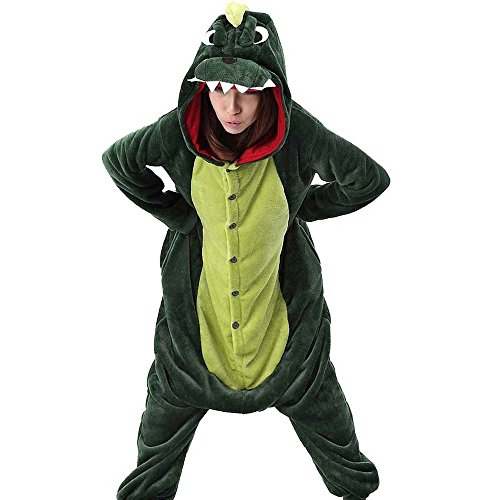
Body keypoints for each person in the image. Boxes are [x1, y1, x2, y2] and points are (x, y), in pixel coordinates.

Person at [101, 3, 390, 500]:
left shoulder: (297, 134)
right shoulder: (179, 130)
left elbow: (367, 179)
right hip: (195, 343)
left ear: (270, 89)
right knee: (159, 433)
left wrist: (299, 207)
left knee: (330, 424)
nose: (231, 107)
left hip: (287, 344)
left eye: (247, 91)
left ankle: (354, 484)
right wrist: (179, 215)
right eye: (218, 88)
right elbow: (120, 161)